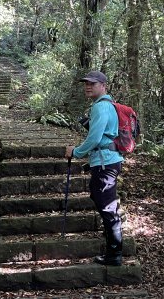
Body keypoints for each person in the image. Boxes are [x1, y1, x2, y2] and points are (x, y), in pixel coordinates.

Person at [65, 70, 124, 266]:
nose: (88, 86)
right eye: (86, 83)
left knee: (107, 207)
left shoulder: (100, 107)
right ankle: (113, 246)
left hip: (105, 162)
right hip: (107, 160)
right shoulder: (107, 106)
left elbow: (94, 138)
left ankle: (114, 254)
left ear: (103, 86)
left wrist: (76, 152)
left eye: (92, 83)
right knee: (101, 200)